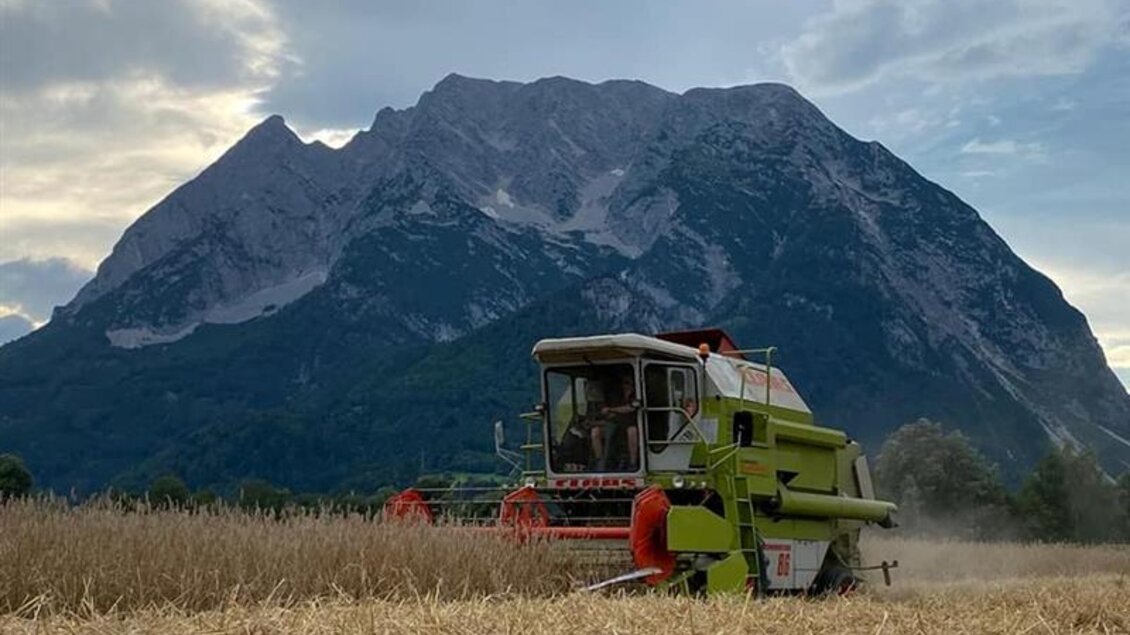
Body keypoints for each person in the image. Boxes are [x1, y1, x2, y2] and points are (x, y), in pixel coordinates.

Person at [592, 372, 639, 470]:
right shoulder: (615, 395)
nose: (628, 385)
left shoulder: (638, 394)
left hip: (631, 424)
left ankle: (633, 463)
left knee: (632, 431)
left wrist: (612, 410)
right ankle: (600, 461)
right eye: (625, 382)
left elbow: (630, 408)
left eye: (630, 382)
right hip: (614, 423)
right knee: (595, 431)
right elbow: (605, 412)